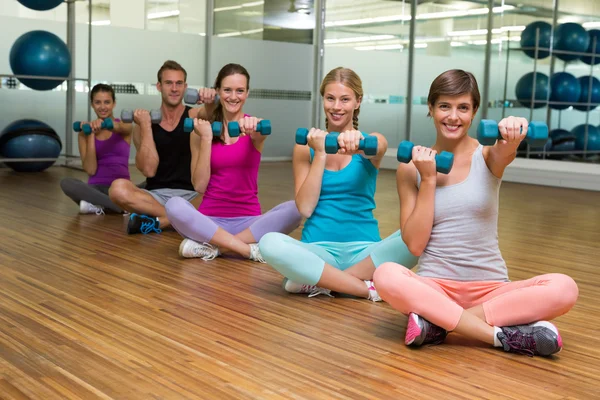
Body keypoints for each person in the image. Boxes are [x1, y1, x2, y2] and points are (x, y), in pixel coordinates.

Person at [373, 69, 578, 357]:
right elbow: (415, 245)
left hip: (491, 288)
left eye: (463, 108)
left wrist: (512, 131)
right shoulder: (411, 168)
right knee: (385, 275)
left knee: (564, 288)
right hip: (435, 287)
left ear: (474, 112)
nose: (453, 116)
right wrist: (429, 180)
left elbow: (505, 150)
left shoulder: (487, 156)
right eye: (444, 106)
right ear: (430, 109)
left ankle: (438, 323)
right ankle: (499, 336)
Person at [258, 67, 417, 301]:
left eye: (345, 99)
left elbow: (380, 145)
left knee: (418, 236)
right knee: (268, 242)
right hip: (318, 250)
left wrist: (360, 142)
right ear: (323, 99)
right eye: (330, 98)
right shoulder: (306, 147)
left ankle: (321, 280)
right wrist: (320, 153)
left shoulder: (371, 142)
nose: (336, 107)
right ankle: (365, 288)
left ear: (358, 102)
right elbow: (305, 208)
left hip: (366, 252)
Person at [165, 63, 302, 262]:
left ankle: (215, 248)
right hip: (209, 222)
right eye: (227, 90)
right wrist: (205, 139)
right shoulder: (201, 131)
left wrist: (253, 127)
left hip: (249, 223)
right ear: (218, 92)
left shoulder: (255, 128)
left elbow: (259, 132)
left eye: (240, 91)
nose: (233, 96)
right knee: (174, 205)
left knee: (296, 209)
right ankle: (247, 251)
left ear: (247, 93)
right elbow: (199, 186)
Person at [108, 60, 217, 234]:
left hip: (192, 197)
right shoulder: (143, 124)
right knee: (117, 189)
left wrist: (210, 100)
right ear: (159, 86)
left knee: (221, 195)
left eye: (179, 83)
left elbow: (211, 113)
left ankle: (160, 222)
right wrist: (146, 126)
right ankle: (182, 220)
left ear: (185, 87)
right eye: (168, 83)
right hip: (156, 197)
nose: (174, 88)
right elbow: (149, 170)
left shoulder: (195, 115)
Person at [60, 84, 132, 214]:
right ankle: (118, 207)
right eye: (98, 102)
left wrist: (105, 125)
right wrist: (91, 133)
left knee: (149, 184)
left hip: (121, 187)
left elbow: (119, 127)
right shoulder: (84, 133)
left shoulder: (124, 126)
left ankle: (99, 206)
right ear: (92, 104)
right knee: (66, 183)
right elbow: (91, 170)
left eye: (107, 102)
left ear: (114, 104)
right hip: (96, 189)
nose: (103, 107)